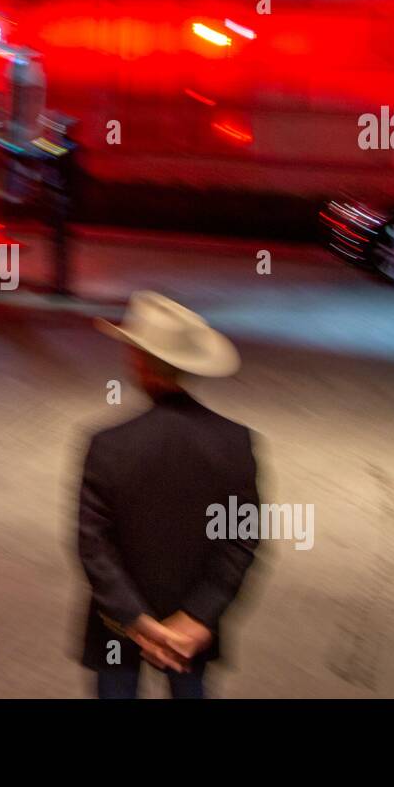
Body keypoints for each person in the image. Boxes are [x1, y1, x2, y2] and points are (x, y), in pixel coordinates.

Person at [76, 291, 260, 698]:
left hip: (117, 625)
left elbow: (93, 545)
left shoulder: (107, 445)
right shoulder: (235, 443)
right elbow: (241, 542)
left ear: (139, 362)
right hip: (191, 634)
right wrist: (198, 617)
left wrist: (136, 619)